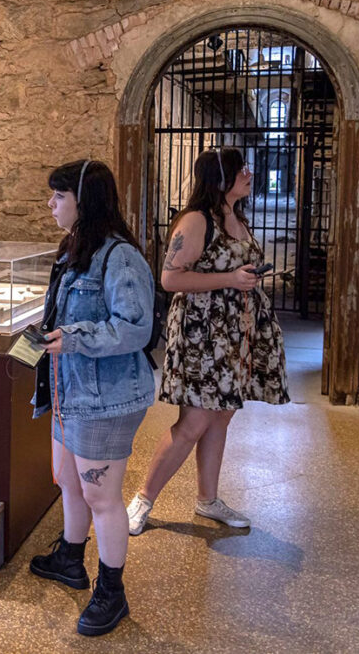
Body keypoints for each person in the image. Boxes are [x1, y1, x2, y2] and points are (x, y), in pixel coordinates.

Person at [126, 147, 288, 537]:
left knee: (221, 414)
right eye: (241, 169)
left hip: (237, 331)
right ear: (220, 178)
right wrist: (231, 279)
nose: (250, 173)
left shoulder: (235, 216)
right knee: (194, 420)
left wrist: (244, 279)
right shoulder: (197, 221)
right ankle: (143, 499)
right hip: (203, 334)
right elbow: (170, 280)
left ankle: (207, 499)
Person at [28, 159, 155, 637]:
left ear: (84, 200)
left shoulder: (120, 257)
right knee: (68, 480)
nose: (51, 204)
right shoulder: (76, 248)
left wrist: (74, 336)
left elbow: (135, 327)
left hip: (108, 397)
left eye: (59, 196)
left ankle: (112, 590)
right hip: (70, 388)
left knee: (102, 495)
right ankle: (70, 556)